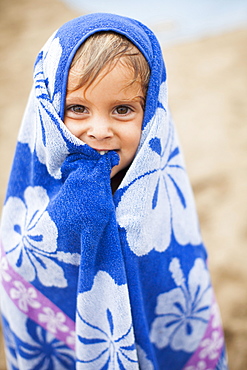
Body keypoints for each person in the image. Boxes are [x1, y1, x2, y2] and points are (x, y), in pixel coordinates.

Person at [0, 13, 228, 369]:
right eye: (77, 108)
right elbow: (22, 272)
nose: (99, 130)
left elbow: (178, 274)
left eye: (122, 109)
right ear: (49, 111)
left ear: (151, 113)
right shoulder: (31, 198)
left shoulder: (162, 192)